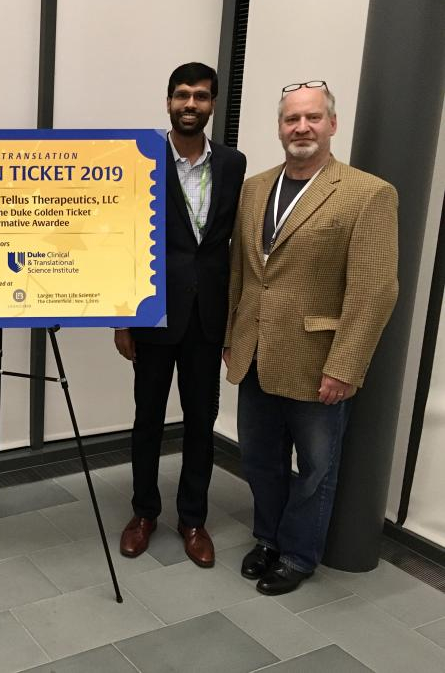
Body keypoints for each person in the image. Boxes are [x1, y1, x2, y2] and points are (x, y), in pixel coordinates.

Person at [223, 81, 398, 594]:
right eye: (291, 119)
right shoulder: (254, 187)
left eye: (313, 118)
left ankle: (299, 555)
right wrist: (233, 337)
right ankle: (268, 539)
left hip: (318, 360)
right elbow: (241, 271)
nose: (301, 128)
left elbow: (375, 290)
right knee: (259, 459)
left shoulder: (367, 193)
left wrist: (345, 365)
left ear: (332, 125)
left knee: (316, 468)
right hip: (254, 351)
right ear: (279, 127)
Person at [115, 62, 246, 567]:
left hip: (207, 320)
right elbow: (123, 242)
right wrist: (122, 319)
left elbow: (229, 248)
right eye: (183, 96)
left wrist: (234, 323)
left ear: (213, 105)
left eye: (202, 97)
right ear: (168, 101)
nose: (192, 104)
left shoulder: (234, 164)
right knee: (147, 421)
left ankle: (193, 519)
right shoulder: (139, 159)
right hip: (152, 315)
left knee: (200, 423)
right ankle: (143, 513)